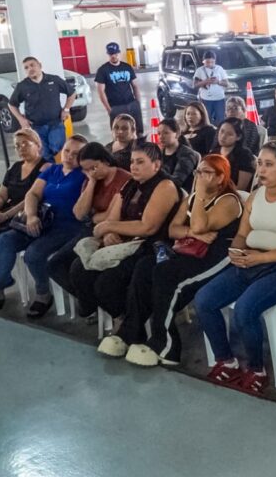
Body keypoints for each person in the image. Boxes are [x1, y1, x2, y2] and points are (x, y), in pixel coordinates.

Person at [196, 140, 276, 395]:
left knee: (245, 309)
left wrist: (262, 258)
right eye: (260, 163)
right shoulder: (255, 195)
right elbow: (242, 234)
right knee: (204, 300)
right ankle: (226, 360)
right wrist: (236, 252)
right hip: (250, 261)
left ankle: (256, 369)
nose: (261, 170)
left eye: (269, 164)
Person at [101, 154, 243, 367]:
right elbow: (173, 230)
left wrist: (200, 198)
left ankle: (166, 345)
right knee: (146, 266)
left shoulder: (229, 200)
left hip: (216, 256)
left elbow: (199, 226)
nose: (199, 177)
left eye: (206, 173)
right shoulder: (192, 198)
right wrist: (191, 232)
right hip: (190, 250)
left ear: (220, 177)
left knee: (166, 275)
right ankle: (130, 332)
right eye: (198, 172)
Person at [0, 136, 88, 315]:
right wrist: (31, 216)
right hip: (41, 220)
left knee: (33, 254)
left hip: (66, 227)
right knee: (5, 240)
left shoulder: (84, 176)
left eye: (76, 154)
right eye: (67, 151)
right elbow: (32, 194)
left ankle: (43, 293)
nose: (69, 156)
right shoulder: (52, 170)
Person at [63, 142, 182, 321]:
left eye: (140, 162)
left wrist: (109, 227)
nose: (133, 166)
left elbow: (147, 227)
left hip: (151, 247)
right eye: (132, 161)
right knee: (78, 269)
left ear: (156, 165)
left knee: (106, 284)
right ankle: (113, 313)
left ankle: (129, 322)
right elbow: (113, 217)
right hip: (125, 242)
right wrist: (109, 233)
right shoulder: (131, 184)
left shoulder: (165, 186)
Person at [0, 129, 50, 297]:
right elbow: (1, 195)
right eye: (17, 146)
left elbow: (32, 198)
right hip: (6, 217)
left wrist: (5, 215)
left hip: (26, 217)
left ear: (38, 145)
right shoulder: (15, 168)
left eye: (26, 144)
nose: (21, 149)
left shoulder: (46, 168)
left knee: (2, 242)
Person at [47, 142, 132, 295]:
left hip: (113, 232)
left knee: (79, 268)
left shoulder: (124, 180)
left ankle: (91, 299)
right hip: (90, 229)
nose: (90, 173)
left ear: (105, 161)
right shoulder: (91, 180)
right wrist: (92, 183)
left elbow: (111, 216)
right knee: (55, 264)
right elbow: (79, 213)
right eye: (85, 170)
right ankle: (87, 299)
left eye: (93, 168)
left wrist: (93, 216)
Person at [8, 56, 76, 161]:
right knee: (44, 155)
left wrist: (66, 109)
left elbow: (72, 93)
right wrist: (21, 119)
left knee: (56, 147)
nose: (30, 69)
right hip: (36, 127)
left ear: (39, 65)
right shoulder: (22, 86)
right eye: (26, 67)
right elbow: (12, 104)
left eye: (32, 65)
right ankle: (51, 170)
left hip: (56, 124)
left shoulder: (54, 80)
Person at [95, 42, 143, 135]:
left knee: (137, 131)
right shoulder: (103, 70)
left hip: (132, 104)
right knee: (119, 133)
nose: (113, 56)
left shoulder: (127, 67)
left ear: (119, 53)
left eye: (115, 54)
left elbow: (135, 86)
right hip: (115, 107)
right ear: (108, 54)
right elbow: (101, 92)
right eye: (111, 54)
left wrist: (137, 103)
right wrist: (109, 109)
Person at [210, 117, 256, 191]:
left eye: (229, 134)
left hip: (232, 194)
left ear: (238, 137)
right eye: (222, 131)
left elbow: (241, 188)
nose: (223, 136)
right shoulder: (214, 152)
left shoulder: (245, 155)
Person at [158, 119, 200, 189]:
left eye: (166, 133)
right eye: (159, 133)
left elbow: (177, 181)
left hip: (178, 191)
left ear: (177, 134)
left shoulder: (187, 154)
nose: (161, 137)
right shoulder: (159, 153)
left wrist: (156, 170)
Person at [193, 50, 229, 125]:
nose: (210, 64)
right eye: (207, 62)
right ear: (203, 61)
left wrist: (218, 82)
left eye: (212, 62)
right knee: (206, 119)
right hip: (206, 99)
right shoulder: (200, 70)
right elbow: (194, 85)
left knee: (220, 120)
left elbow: (227, 84)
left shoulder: (220, 69)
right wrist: (205, 81)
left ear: (215, 61)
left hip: (219, 99)